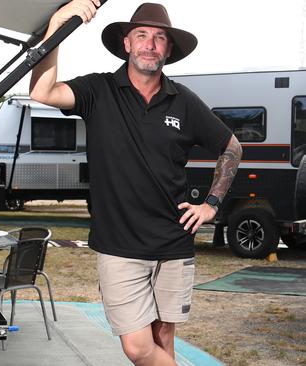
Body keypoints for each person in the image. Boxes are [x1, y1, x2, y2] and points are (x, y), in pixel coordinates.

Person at [30, 2, 242, 365]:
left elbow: (231, 147)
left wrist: (211, 205)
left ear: (169, 49)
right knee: (137, 348)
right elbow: (42, 91)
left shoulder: (184, 101)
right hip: (119, 245)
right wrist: (56, 26)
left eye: (159, 38)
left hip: (174, 241)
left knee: (163, 339)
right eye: (141, 35)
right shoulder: (98, 91)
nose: (150, 44)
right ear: (126, 43)